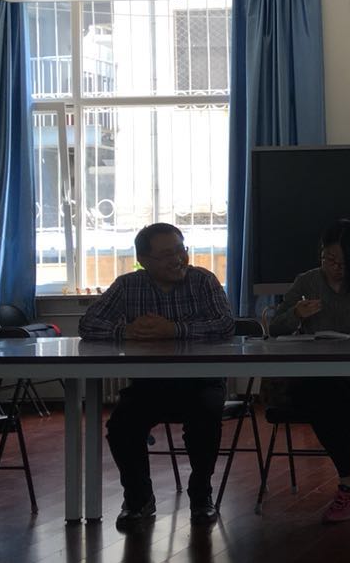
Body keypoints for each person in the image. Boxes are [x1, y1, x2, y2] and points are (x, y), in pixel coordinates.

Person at [80, 222, 235, 528]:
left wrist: (174, 330)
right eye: (166, 255)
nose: (178, 259)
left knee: (205, 417)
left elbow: (226, 324)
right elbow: (88, 324)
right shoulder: (128, 286)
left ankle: (201, 497)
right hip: (150, 385)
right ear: (144, 260)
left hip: (201, 381)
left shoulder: (203, 281)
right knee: (122, 425)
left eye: (181, 250)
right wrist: (126, 331)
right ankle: (138, 499)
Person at [269, 219, 350, 523]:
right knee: (321, 390)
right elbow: (275, 328)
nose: (334, 268)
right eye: (328, 259)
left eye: (343, 262)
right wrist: (295, 315)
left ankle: (349, 482)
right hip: (314, 379)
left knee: (323, 398)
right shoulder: (307, 282)